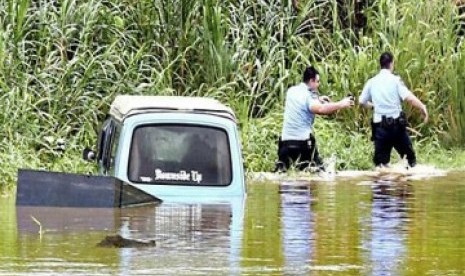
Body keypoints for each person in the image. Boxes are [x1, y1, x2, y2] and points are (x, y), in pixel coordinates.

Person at [275, 66, 354, 172]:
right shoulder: (309, 96)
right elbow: (320, 109)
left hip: (284, 144)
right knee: (319, 174)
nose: (318, 84)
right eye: (317, 81)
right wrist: (341, 103)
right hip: (302, 144)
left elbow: (302, 103)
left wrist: (318, 99)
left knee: (283, 176)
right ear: (311, 81)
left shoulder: (291, 91)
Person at [359, 51, 428, 168]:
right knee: (410, 162)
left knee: (381, 166)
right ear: (391, 64)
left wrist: (373, 106)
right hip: (397, 128)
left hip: (380, 129)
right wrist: (422, 107)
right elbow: (409, 98)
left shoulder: (371, 82)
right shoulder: (396, 80)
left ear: (380, 65)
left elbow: (361, 101)